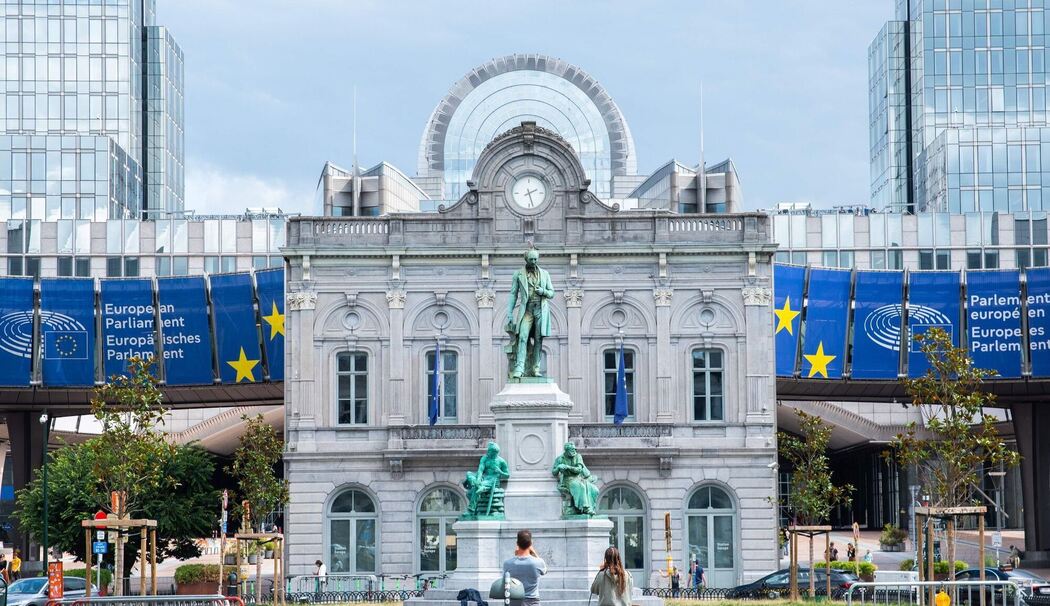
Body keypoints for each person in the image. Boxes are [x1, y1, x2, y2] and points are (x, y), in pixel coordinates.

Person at [502, 530, 547, 606]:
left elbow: (505, 582)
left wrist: (515, 556)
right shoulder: (538, 562)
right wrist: (535, 553)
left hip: (515, 601)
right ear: (530, 544)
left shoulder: (507, 563)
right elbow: (545, 571)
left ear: (517, 543)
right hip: (533, 601)